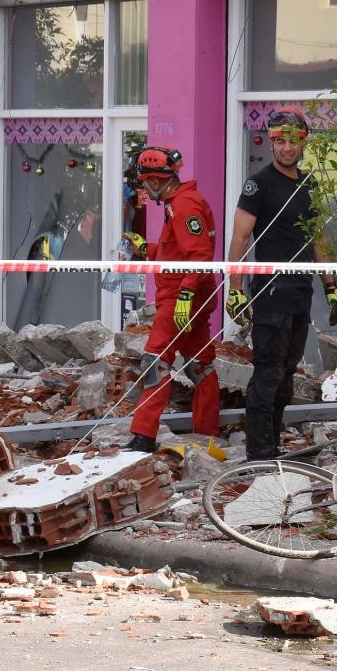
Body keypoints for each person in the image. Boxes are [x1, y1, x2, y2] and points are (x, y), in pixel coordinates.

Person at [225, 108, 337, 461]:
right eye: (280, 142)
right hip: (270, 289)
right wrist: (234, 287)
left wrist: (331, 287)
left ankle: (273, 447)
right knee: (267, 370)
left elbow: (318, 238)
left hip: (300, 289)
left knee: (287, 371)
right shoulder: (258, 184)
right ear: (271, 144)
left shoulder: (309, 185)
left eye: (294, 141)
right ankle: (258, 455)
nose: (287, 148)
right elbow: (239, 237)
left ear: (303, 144)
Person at [122, 146, 222, 452]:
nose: (143, 190)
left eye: (144, 183)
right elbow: (177, 251)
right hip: (188, 295)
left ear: (154, 181)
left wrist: (185, 297)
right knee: (200, 365)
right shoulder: (178, 204)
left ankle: (143, 437)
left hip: (180, 297)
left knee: (155, 361)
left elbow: (200, 256)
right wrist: (147, 249)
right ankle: (207, 433)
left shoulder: (184, 206)